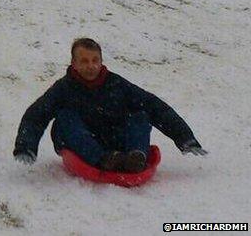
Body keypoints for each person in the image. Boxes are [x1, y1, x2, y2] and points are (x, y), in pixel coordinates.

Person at [14, 38, 206, 173]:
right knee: (65, 118)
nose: (91, 66)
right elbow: (36, 115)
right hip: (80, 143)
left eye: (95, 60)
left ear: (101, 61)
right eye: (84, 61)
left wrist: (185, 138)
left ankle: (136, 156)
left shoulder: (116, 84)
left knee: (140, 114)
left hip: (113, 140)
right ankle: (103, 159)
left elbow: (155, 106)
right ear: (74, 63)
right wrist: (26, 147)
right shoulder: (64, 88)